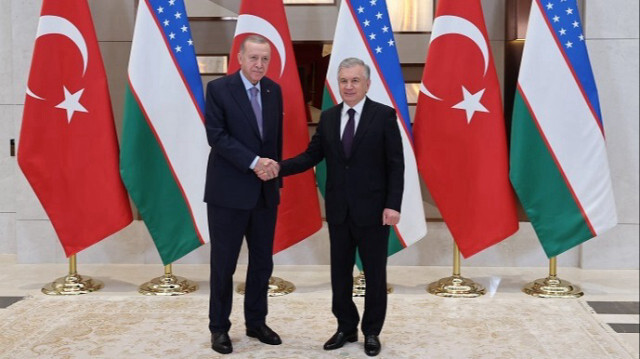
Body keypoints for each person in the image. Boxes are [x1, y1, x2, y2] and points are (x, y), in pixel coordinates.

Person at [275, 57, 404, 357]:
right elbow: (311, 156)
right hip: (339, 210)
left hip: (374, 211)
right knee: (339, 274)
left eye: (355, 80)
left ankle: (371, 331)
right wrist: (277, 167)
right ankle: (345, 327)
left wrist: (392, 205)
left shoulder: (384, 116)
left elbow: (395, 165)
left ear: (367, 84)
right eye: (344, 80)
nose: (348, 86)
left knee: (375, 274)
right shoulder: (330, 117)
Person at [204, 35, 283, 355]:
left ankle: (256, 321)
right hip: (228, 193)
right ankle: (219, 328)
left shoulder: (274, 90)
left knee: (263, 263)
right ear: (239, 57)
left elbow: (273, 140)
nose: (259, 65)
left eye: (265, 59)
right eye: (253, 58)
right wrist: (254, 163)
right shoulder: (219, 89)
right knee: (224, 265)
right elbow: (217, 136)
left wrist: (272, 173)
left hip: (265, 192)